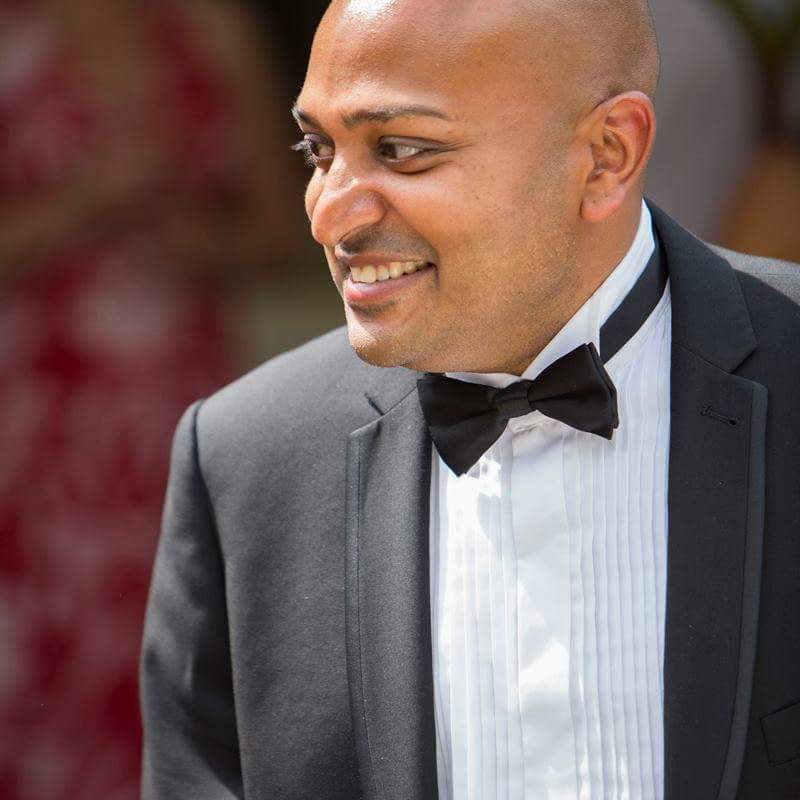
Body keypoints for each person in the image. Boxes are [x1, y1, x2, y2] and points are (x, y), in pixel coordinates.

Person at [139, 1, 800, 798]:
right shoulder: (245, 459)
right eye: (318, 149)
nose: (328, 213)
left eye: (403, 150)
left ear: (607, 156)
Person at [0, 1, 300, 798]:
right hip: (30, 422)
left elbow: (287, 222)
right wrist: (86, 201)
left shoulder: (208, 21)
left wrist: (208, 244)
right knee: (41, 661)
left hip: (174, 406)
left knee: (181, 647)